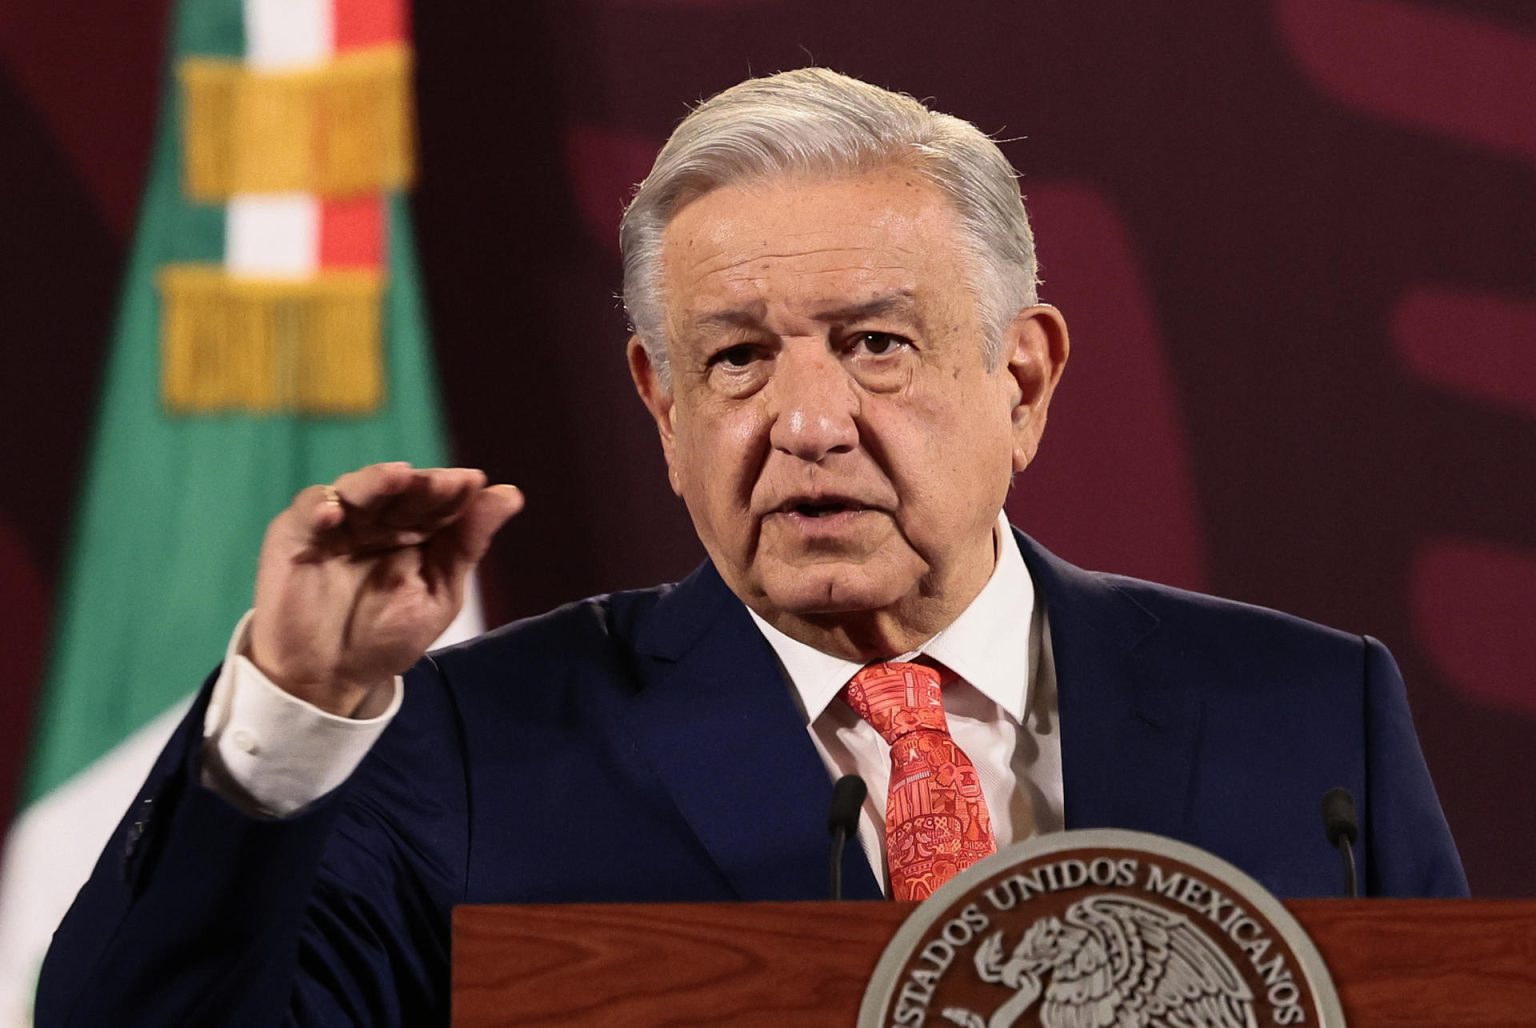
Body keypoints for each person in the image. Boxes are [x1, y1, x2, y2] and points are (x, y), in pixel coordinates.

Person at [36, 68, 1465, 1025]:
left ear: (1022, 381)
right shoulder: (465, 748)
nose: (806, 422)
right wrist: (292, 710)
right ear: (662, 406)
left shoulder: (1308, 715)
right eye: (734, 360)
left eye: (877, 346)